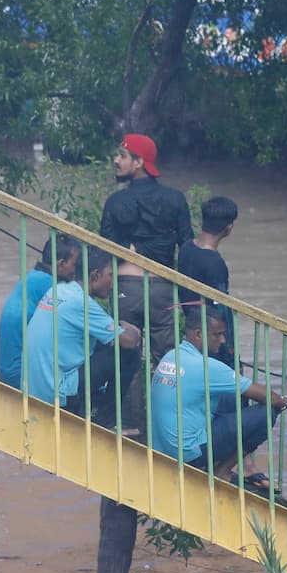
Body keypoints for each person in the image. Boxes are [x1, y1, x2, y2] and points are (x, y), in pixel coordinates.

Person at [100, 133, 193, 428]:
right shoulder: (175, 199)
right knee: (165, 360)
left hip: (126, 287)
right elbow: (187, 245)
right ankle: (167, 426)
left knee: (125, 357)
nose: (116, 160)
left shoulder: (116, 202)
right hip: (163, 288)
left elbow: (105, 250)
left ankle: (129, 425)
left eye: (122, 156)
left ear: (139, 162)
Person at [149, 301, 287, 476]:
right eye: (217, 335)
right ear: (198, 334)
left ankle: (218, 464)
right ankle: (222, 470)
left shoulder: (171, 356)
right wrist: (282, 402)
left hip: (160, 449)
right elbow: (269, 397)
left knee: (233, 394)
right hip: (187, 453)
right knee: (266, 414)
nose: (223, 340)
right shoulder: (207, 366)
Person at [22, 248, 141, 411]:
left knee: (103, 342)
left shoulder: (59, 290)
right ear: (95, 276)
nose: (113, 283)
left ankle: (94, 402)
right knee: (130, 353)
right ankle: (107, 418)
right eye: (111, 276)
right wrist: (131, 329)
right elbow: (129, 341)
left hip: (32, 387)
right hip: (56, 392)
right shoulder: (81, 303)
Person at [0, 233, 81, 389]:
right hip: (20, 375)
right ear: (61, 263)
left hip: (7, 370)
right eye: (75, 264)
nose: (77, 270)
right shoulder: (50, 286)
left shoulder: (33, 278)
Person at [178, 196, 239, 363]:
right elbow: (220, 306)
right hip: (211, 337)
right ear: (228, 227)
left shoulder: (187, 248)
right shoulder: (215, 263)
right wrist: (231, 349)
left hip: (192, 329)